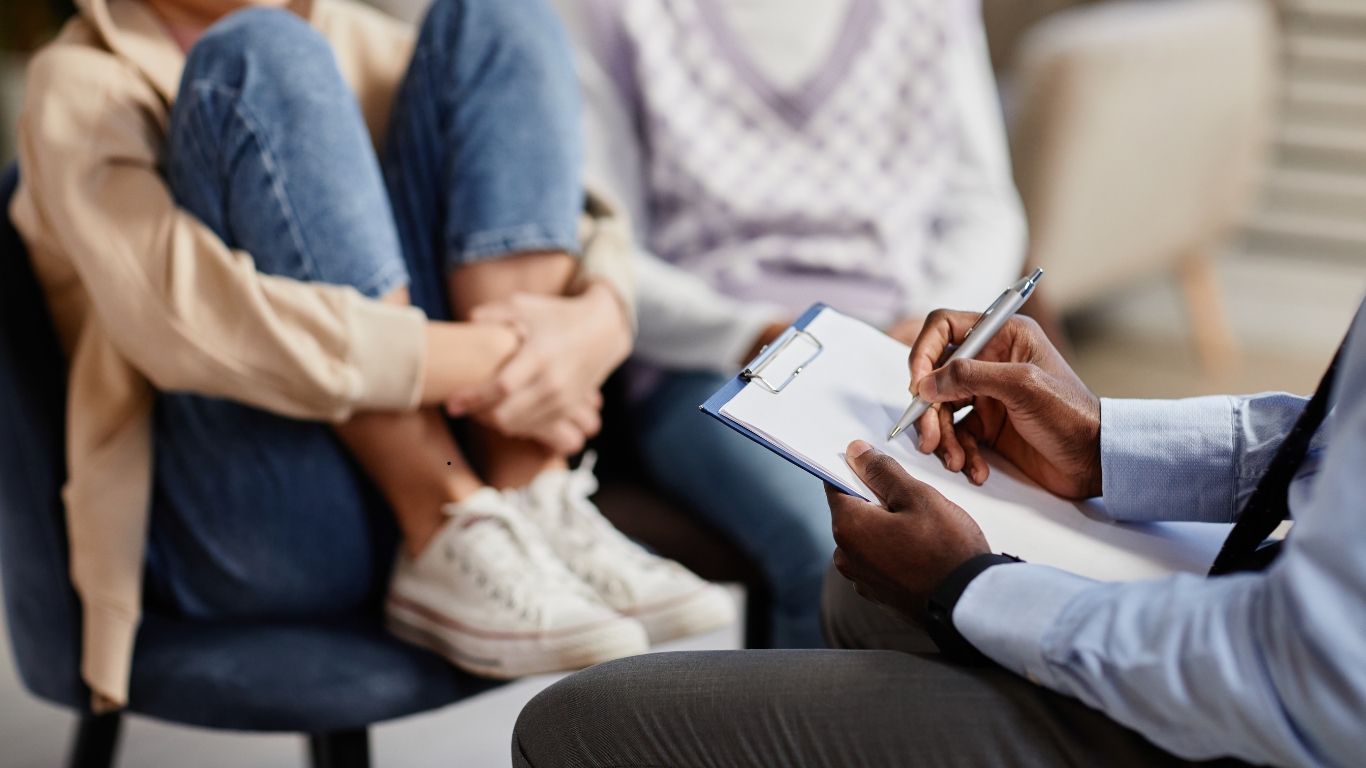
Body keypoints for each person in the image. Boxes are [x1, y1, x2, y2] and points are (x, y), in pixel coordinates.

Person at [11, 0, 732, 709]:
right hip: (252, 514)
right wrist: (512, 359)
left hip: (464, 465)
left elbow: (560, 195)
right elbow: (187, 328)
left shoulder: (358, 34)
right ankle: (442, 512)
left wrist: (601, 315)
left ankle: (528, 491)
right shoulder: (76, 82)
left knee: (497, 15)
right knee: (264, 50)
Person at [512, 303, 1366, 767]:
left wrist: (971, 587)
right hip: (1284, 619)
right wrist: (1107, 444)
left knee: (575, 728)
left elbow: (1304, 678)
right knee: (858, 588)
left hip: (1280, 710)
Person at [549, 0, 1028, 647]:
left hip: (903, 346)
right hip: (715, 359)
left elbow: (983, 203)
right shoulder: (605, 14)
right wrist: (753, 333)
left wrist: (931, 320)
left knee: (1018, 539)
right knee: (839, 548)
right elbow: (602, 241)